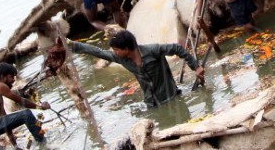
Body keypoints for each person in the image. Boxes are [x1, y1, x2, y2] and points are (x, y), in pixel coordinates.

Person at [67, 29, 203, 108]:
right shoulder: (121, 58)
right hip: (151, 103)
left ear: (126, 49)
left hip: (171, 97)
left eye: (115, 49)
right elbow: (98, 52)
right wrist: (71, 45)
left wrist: (195, 67)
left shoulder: (153, 50)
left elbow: (177, 48)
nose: (113, 52)